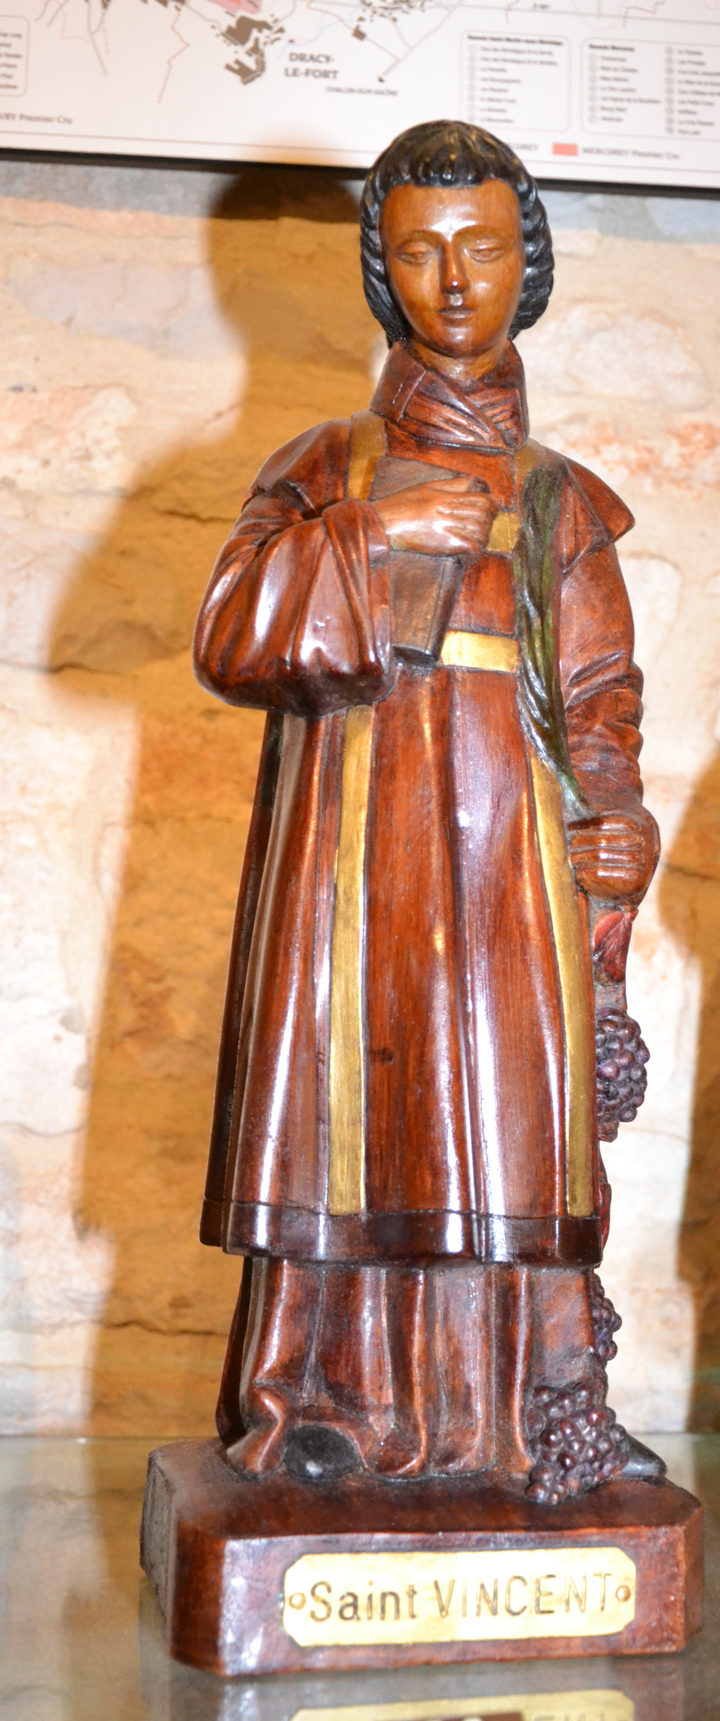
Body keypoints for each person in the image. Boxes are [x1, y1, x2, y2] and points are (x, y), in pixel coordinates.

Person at [193, 121, 661, 1500]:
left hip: (510, 856)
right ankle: (319, 1404)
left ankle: (529, 1414)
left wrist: (618, 821)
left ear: (530, 264)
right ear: (381, 270)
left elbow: (602, 697)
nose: (456, 281)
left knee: (509, 1120)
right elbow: (230, 634)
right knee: (346, 1107)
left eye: (486, 248)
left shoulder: (559, 498)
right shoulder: (328, 466)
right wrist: (372, 532)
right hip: (355, 847)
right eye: (420, 251)